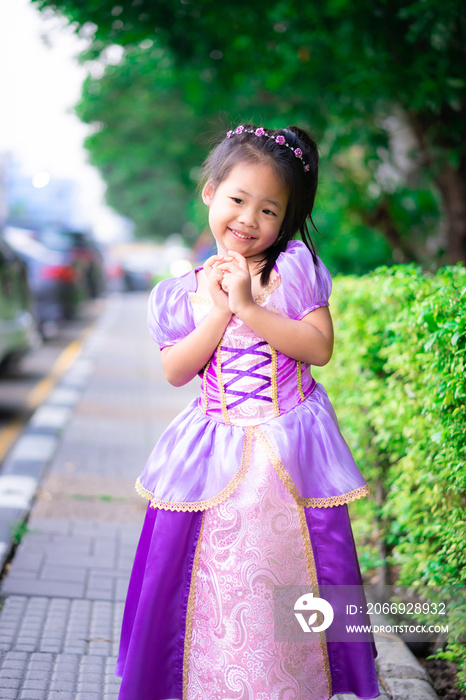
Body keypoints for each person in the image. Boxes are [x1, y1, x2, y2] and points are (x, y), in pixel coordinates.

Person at [115, 124, 380, 699]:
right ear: (210, 192)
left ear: (285, 220)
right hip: (211, 457)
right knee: (211, 586)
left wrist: (245, 305)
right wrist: (216, 312)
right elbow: (176, 370)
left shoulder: (295, 270)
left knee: (288, 582)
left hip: (289, 459)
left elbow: (319, 349)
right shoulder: (177, 292)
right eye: (237, 199)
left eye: (268, 210)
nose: (248, 219)